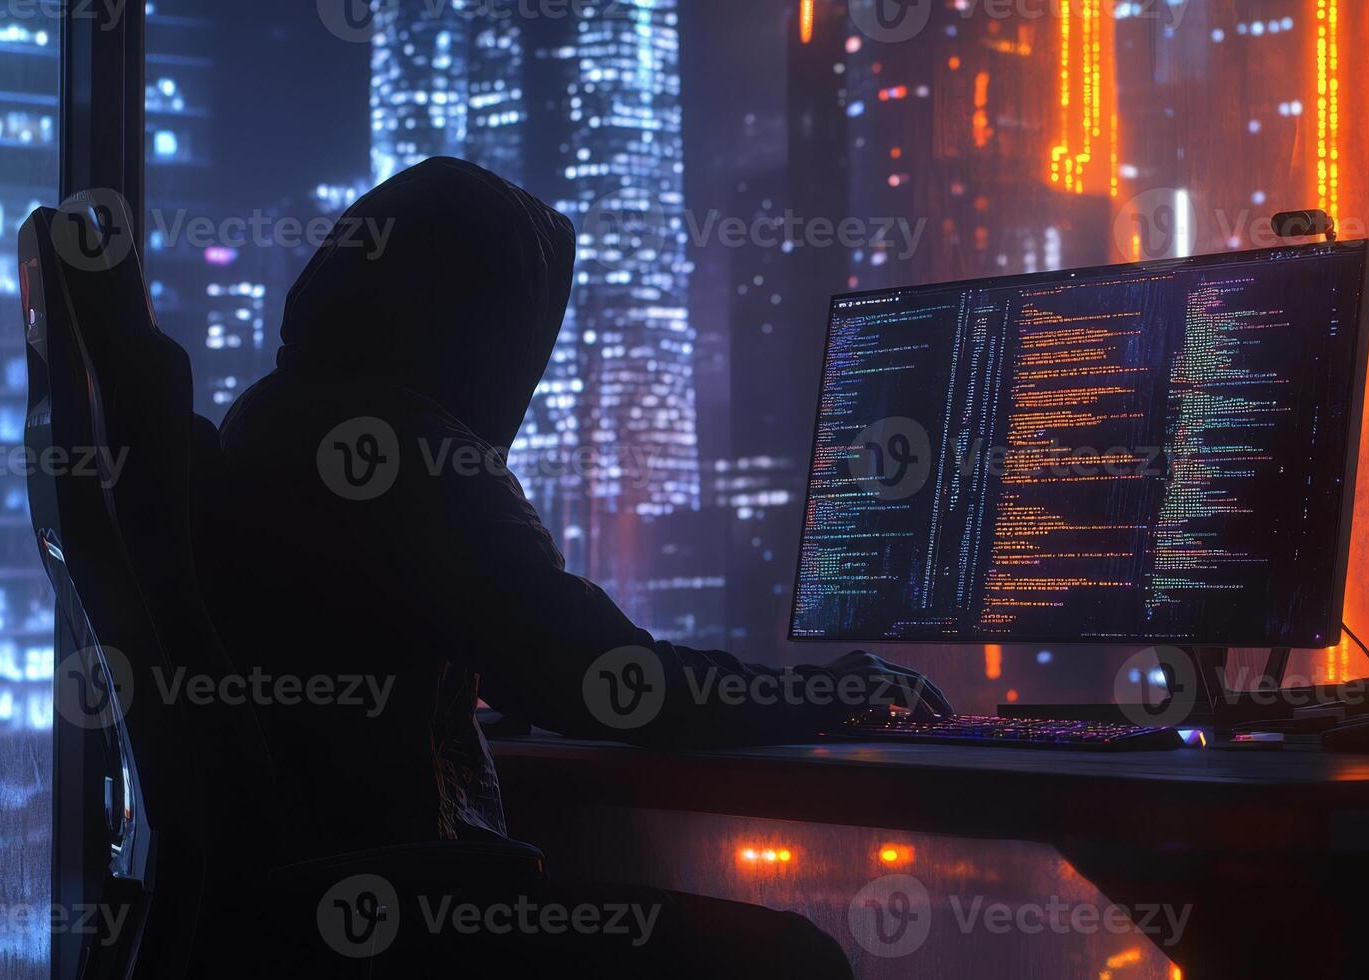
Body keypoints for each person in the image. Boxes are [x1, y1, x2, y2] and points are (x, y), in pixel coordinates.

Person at [196, 156, 949, 977]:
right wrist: (832, 689)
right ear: (483, 324)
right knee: (790, 959)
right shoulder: (416, 449)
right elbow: (607, 681)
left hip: (299, 918)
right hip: (411, 920)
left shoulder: (266, 420)